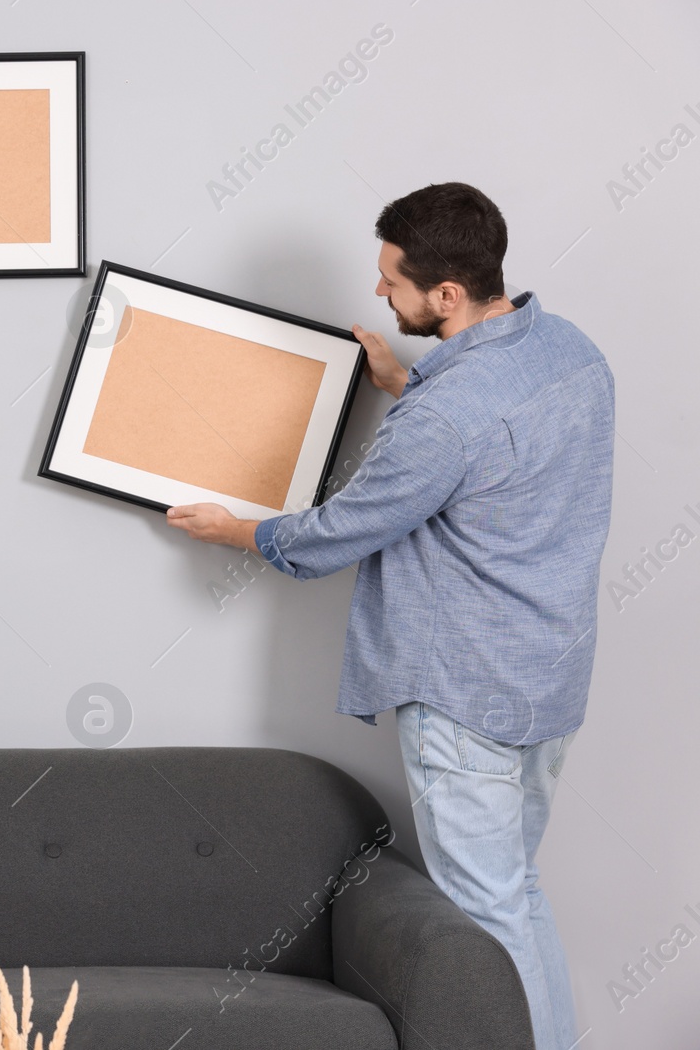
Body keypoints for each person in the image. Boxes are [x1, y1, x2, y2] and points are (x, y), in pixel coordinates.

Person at [164, 182, 613, 1050]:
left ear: (447, 295)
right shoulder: (571, 352)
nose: (379, 293)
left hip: (464, 695)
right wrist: (407, 382)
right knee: (514, 892)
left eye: (392, 281)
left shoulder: (445, 417)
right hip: (548, 678)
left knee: (485, 911)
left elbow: (341, 530)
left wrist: (238, 529)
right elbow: (496, 466)